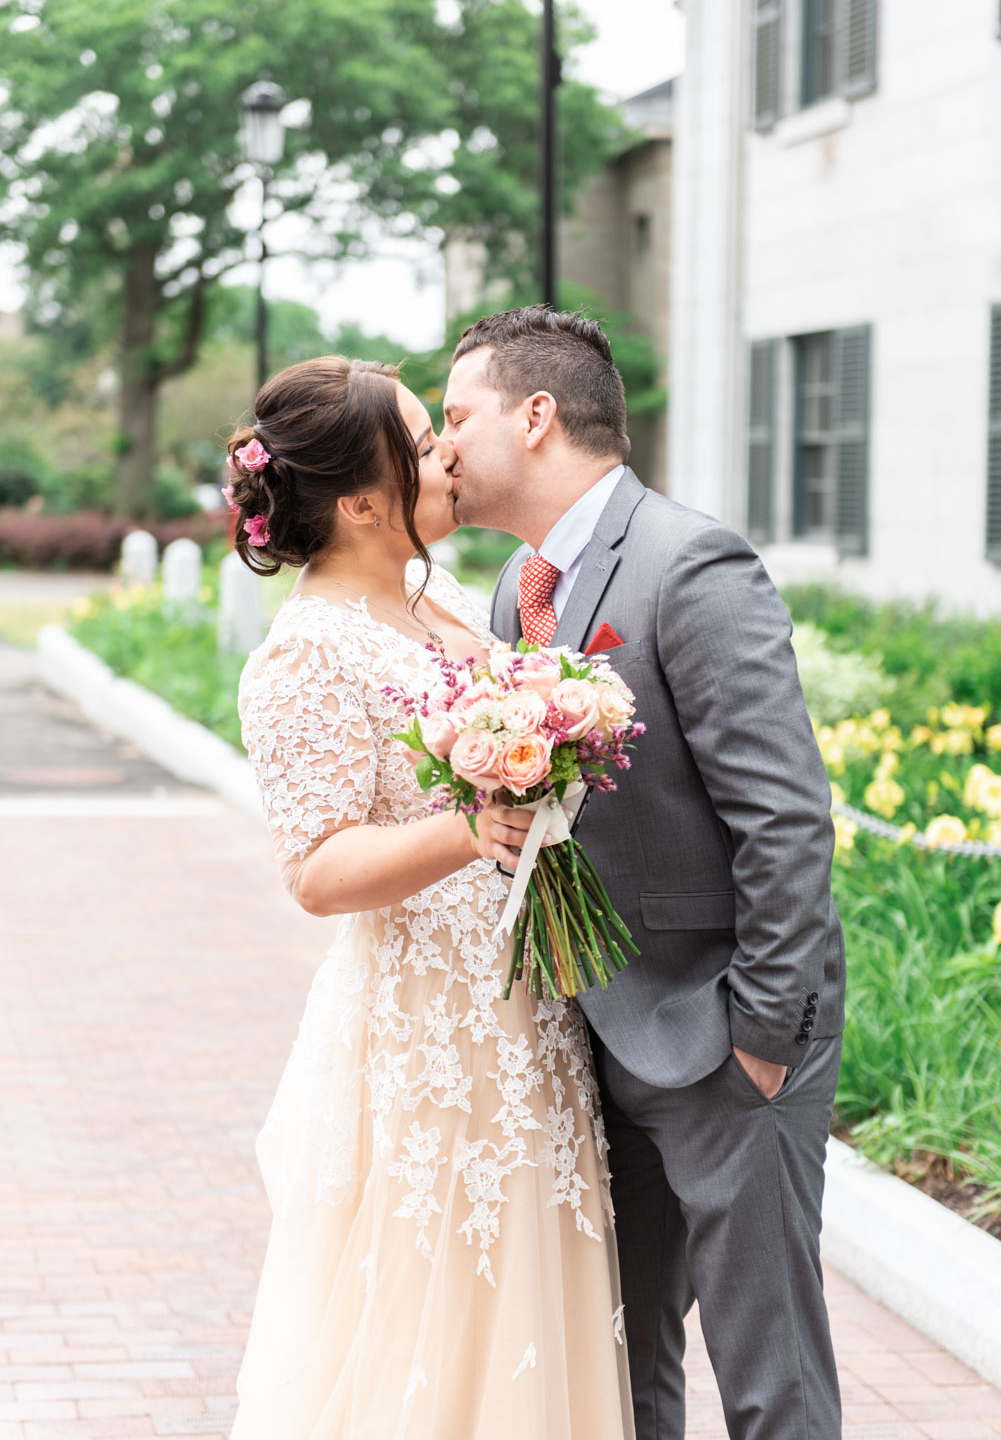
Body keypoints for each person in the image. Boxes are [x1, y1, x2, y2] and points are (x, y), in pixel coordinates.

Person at [441, 306, 846, 1440]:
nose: (442, 447)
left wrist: (762, 1032)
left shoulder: (687, 561)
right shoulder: (512, 589)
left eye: (456, 416)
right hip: (587, 1033)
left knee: (768, 1381)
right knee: (623, 1374)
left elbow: (781, 817)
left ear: (536, 415)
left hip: (721, 1036)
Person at [226, 355, 635, 1440]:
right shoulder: (302, 659)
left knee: (532, 1314)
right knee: (431, 1319)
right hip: (425, 1037)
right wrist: (470, 826)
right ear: (362, 501)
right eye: (419, 443)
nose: (444, 453)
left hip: (519, 1013)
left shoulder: (440, 593)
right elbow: (314, 870)